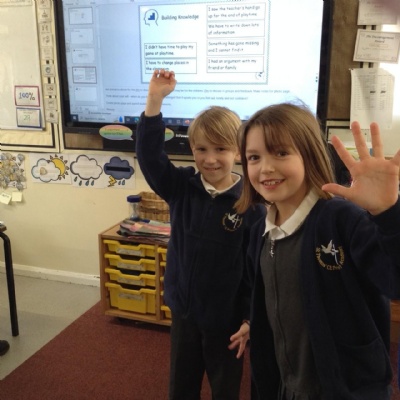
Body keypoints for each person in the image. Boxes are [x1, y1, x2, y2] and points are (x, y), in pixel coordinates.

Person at [234, 102, 400, 399]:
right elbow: (267, 294)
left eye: (281, 153)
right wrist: (254, 323)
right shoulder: (261, 230)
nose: (266, 167)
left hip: (346, 390)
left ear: (308, 155)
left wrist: (389, 214)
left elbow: (394, 281)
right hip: (287, 386)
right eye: (254, 157)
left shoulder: (341, 219)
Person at [135, 69, 265, 400]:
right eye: (201, 149)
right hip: (184, 312)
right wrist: (154, 100)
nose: (210, 159)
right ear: (192, 148)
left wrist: (249, 318)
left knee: (225, 389)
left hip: (227, 320)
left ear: (237, 152)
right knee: (181, 386)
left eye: (220, 149)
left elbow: (254, 271)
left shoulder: (251, 205)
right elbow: (150, 157)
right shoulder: (181, 187)